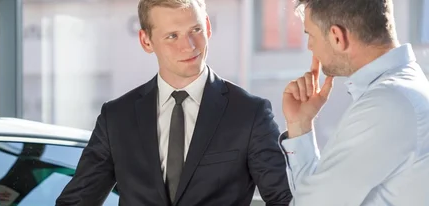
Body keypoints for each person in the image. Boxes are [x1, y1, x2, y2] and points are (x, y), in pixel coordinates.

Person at [55, 0, 292, 205]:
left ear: (208, 27)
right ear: (146, 41)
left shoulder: (249, 113)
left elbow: (284, 198)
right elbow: (75, 202)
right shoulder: (117, 117)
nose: (188, 46)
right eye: (172, 36)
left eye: (195, 30)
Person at [281, 0, 429, 205]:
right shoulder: (403, 90)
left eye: (310, 35)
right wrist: (300, 126)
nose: (310, 46)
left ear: (337, 37)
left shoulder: (386, 106)